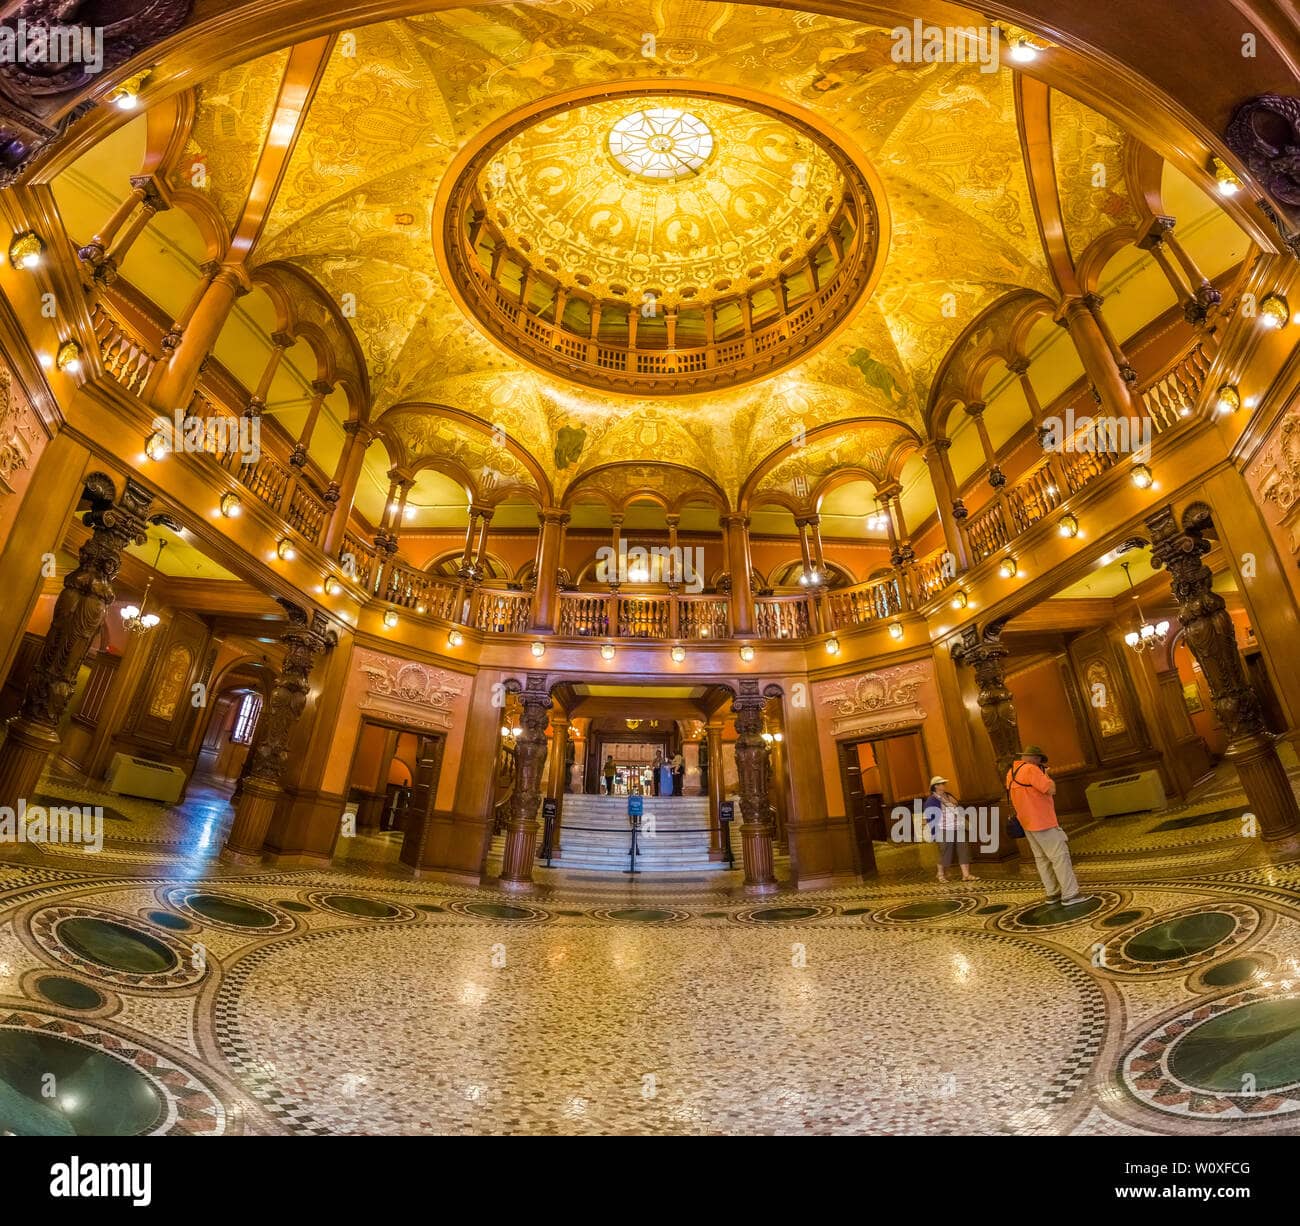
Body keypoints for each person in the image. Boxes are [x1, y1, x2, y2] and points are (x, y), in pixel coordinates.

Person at [1007, 745, 1088, 907]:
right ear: (1036, 759)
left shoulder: (1010, 773)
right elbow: (1050, 789)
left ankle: (1053, 892)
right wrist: (1046, 774)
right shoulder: (1031, 769)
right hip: (1042, 820)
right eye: (1039, 761)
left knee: (1041, 858)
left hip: (1026, 822)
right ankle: (1071, 894)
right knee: (1059, 856)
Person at [923, 775, 976, 883]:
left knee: (963, 850)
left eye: (944, 783)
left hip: (957, 826)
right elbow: (928, 818)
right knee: (945, 852)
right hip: (943, 829)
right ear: (936, 786)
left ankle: (966, 874)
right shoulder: (931, 800)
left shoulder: (948, 796)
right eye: (942, 784)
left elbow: (957, 807)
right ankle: (940, 874)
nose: (944, 785)